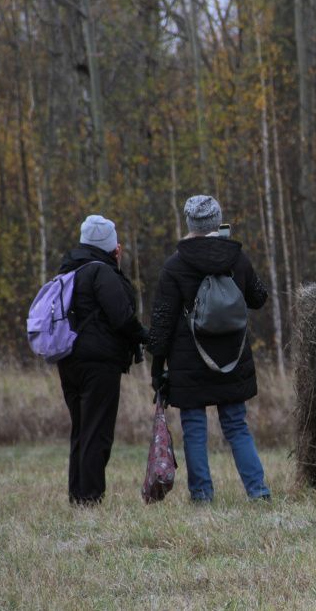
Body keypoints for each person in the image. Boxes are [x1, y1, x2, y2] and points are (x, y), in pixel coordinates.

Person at [146, 195, 271, 503]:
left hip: (188, 361)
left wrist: (157, 367)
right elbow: (259, 298)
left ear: (190, 223)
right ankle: (258, 492)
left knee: (194, 430)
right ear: (217, 222)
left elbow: (162, 321)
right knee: (237, 426)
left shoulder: (175, 265)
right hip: (232, 358)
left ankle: (202, 496)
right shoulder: (237, 258)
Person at [56, 214, 147, 505]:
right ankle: (91, 497)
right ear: (113, 247)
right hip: (99, 363)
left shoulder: (69, 270)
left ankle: (77, 495)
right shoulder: (102, 272)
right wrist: (145, 336)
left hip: (68, 359)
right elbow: (121, 317)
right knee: (98, 431)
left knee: (81, 429)